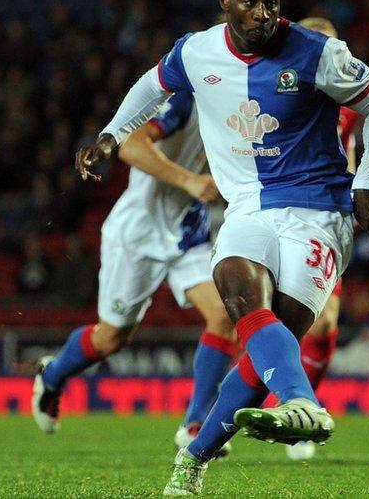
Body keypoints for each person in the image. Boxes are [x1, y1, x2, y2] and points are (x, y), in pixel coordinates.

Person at [74, 0, 369, 495]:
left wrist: (367, 183)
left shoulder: (318, 53)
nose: (263, 14)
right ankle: (304, 405)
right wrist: (111, 136)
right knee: (233, 280)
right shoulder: (196, 51)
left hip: (318, 213)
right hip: (246, 206)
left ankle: (195, 455)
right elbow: (150, 86)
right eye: (250, 1)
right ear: (225, 2)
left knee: (269, 348)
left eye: (272, 1)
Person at [32, 91, 237, 459]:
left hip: (188, 232)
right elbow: (131, 148)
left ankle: (195, 424)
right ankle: (53, 375)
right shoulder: (185, 100)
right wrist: (190, 181)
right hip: (137, 236)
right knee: (111, 339)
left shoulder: (244, 100)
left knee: (224, 317)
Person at [286, 16, 359, 462]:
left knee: (325, 321)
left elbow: (350, 154)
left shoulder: (348, 107)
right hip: (274, 211)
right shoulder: (279, 95)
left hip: (324, 216)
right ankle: (211, 415)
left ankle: (300, 411)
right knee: (265, 317)